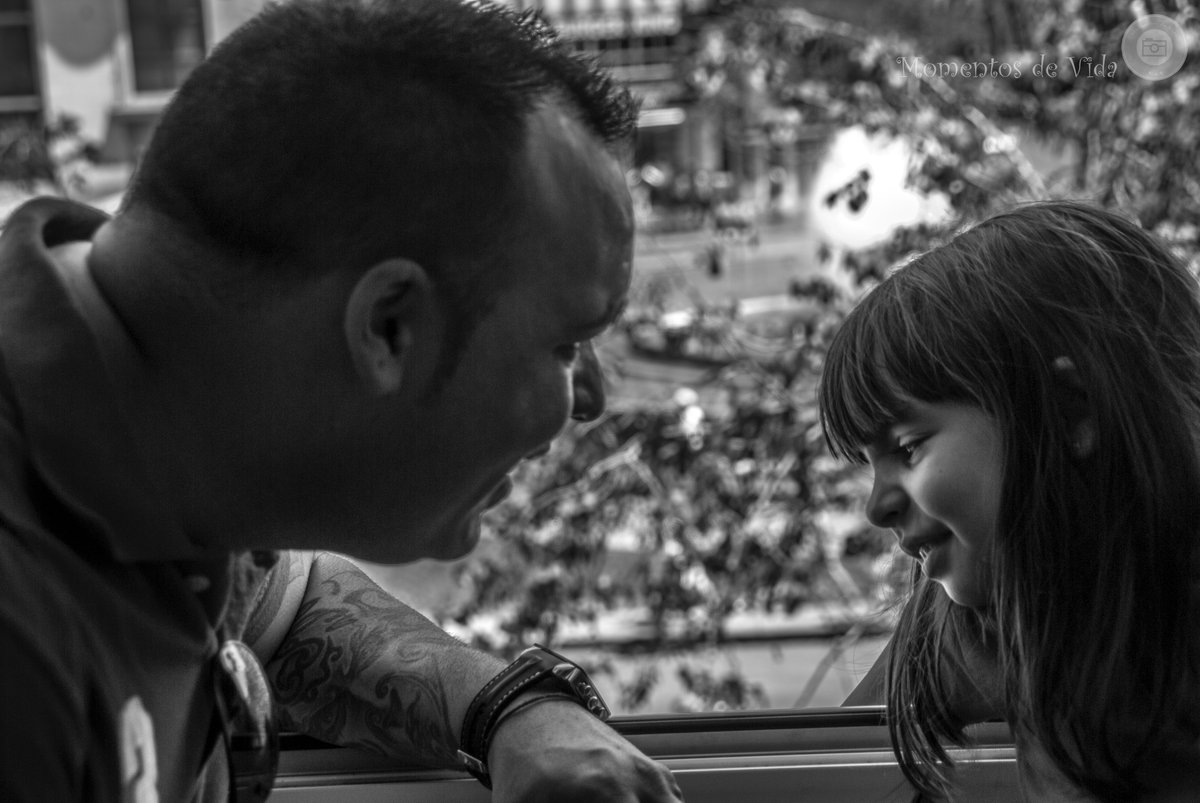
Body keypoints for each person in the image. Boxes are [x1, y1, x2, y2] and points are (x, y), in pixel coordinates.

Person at [0, 0, 685, 801]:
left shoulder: (180, 430)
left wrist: (504, 708)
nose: (591, 400)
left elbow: (281, 611)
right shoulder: (22, 649)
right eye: (568, 344)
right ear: (388, 326)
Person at [819, 201, 1200, 801]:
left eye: (911, 448)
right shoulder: (972, 619)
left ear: (1069, 412)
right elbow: (833, 772)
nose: (876, 508)